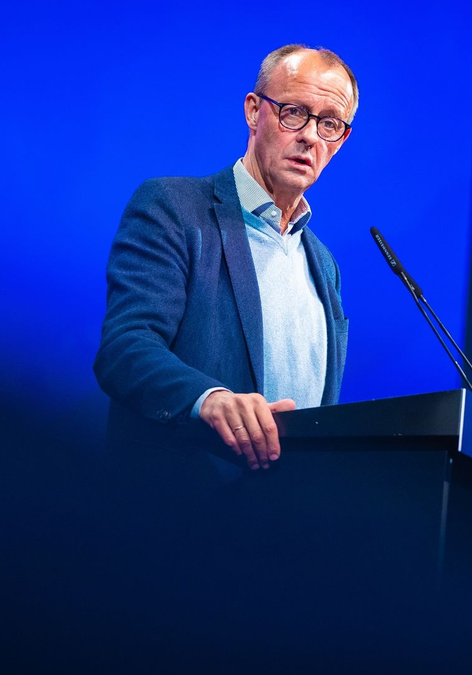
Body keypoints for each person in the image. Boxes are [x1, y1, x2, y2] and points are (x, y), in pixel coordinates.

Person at [94, 45, 356, 480]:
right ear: (254, 111)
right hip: (176, 510)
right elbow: (125, 349)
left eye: (329, 123)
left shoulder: (324, 266)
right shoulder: (174, 209)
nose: (310, 136)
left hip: (283, 526)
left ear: (341, 139)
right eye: (294, 112)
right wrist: (209, 399)